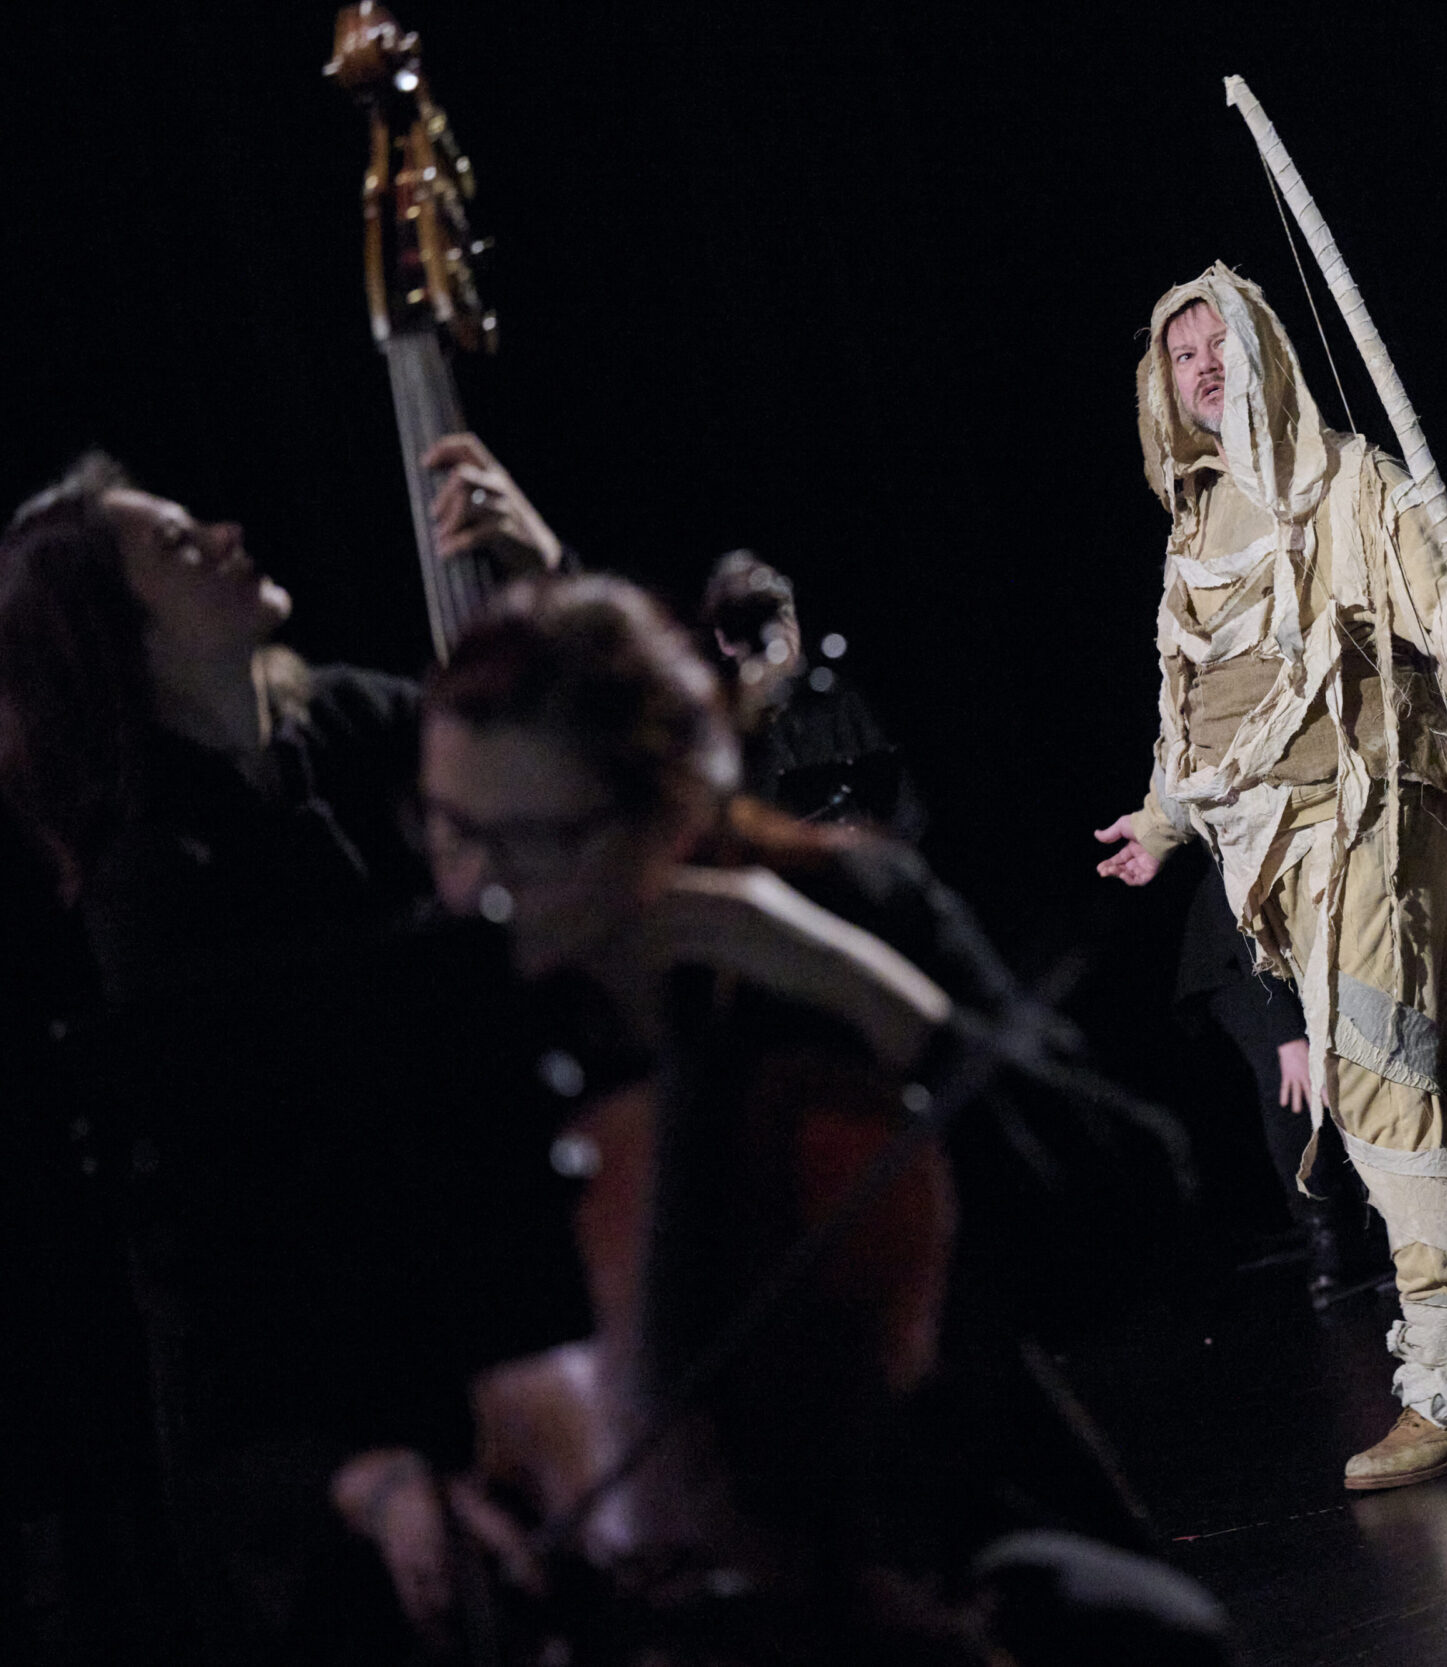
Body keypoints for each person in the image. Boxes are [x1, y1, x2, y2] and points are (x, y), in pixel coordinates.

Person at [352, 574, 1227, 1665]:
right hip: (585, 1597)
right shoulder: (427, 1008)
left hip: (907, 1544)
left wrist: (863, 991)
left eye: (530, 842)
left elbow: (1132, 1203)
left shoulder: (851, 909)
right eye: (446, 830)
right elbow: (319, 1352)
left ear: (672, 817)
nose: (476, 887)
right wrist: (388, 1481)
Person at [0, 435, 576, 1664]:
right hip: (320, 1389)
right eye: (171, 543)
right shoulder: (151, 885)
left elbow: (587, 808)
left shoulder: (363, 721)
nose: (224, 532)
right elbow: (257, 1233)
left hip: (482, 1308)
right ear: (125, 639)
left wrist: (543, 596)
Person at [1093, 265, 1447, 1491]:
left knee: (1382, 1088)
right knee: (1444, 1082)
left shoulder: (1346, 484)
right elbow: (1194, 712)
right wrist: (1160, 819)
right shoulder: (1193, 526)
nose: (1200, 365)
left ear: (1263, 352)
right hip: (1270, 862)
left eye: (1219, 341)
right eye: (1179, 351)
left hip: (1367, 824)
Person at [1172, 859, 1380, 1308]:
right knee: (1291, 1086)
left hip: (1295, 941)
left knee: (1344, 1075)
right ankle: (1327, 1236)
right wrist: (1285, 1035)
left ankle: (1373, 1222)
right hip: (1237, 956)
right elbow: (1237, 906)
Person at [698, 548, 922, 837]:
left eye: (784, 615)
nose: (779, 636)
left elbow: (904, 811)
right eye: (756, 619)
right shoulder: (711, 723)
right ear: (722, 638)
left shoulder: (837, 699)